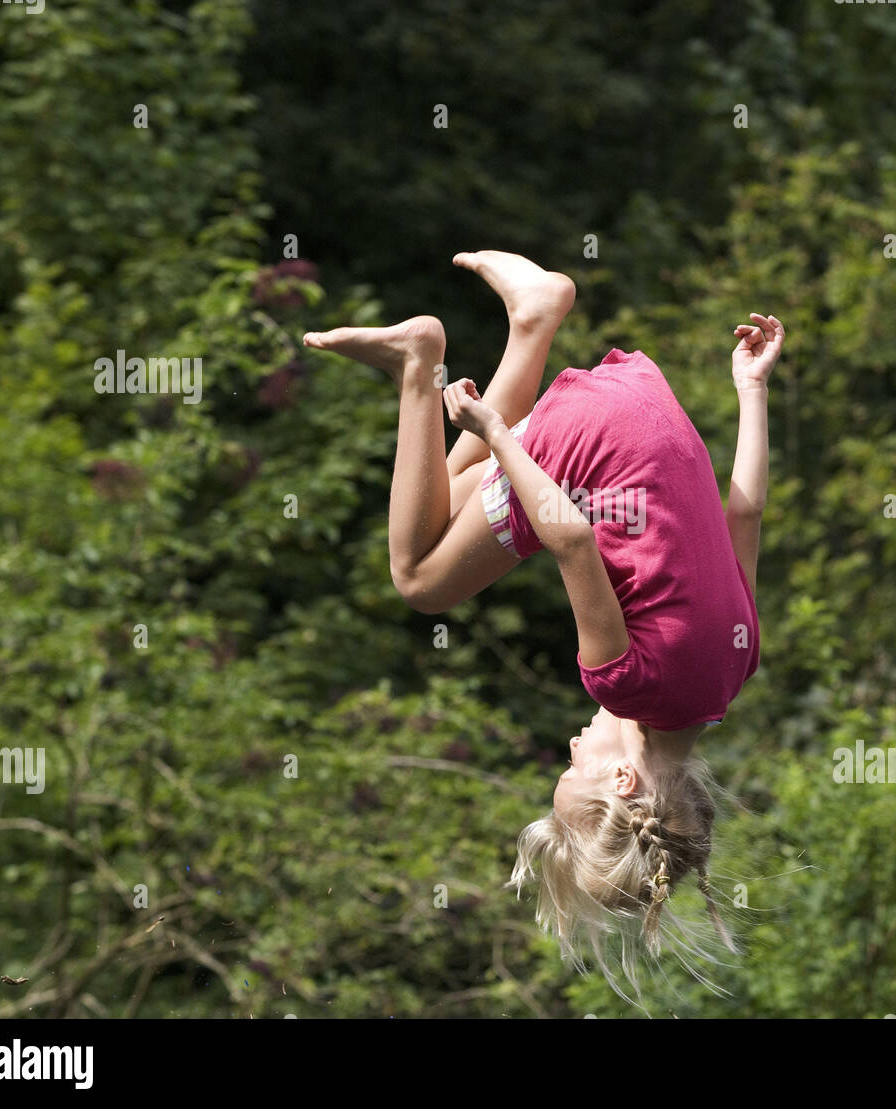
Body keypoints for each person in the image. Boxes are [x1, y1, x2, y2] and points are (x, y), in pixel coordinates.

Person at [304, 251, 783, 998]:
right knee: (420, 577)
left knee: (447, 500)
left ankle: (532, 318)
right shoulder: (625, 680)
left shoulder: (737, 667)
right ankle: (418, 357)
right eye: (574, 766)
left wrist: (751, 390)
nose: (571, 742)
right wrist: (499, 433)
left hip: (649, 412)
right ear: (623, 778)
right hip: (592, 449)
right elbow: (569, 538)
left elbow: (745, 511)